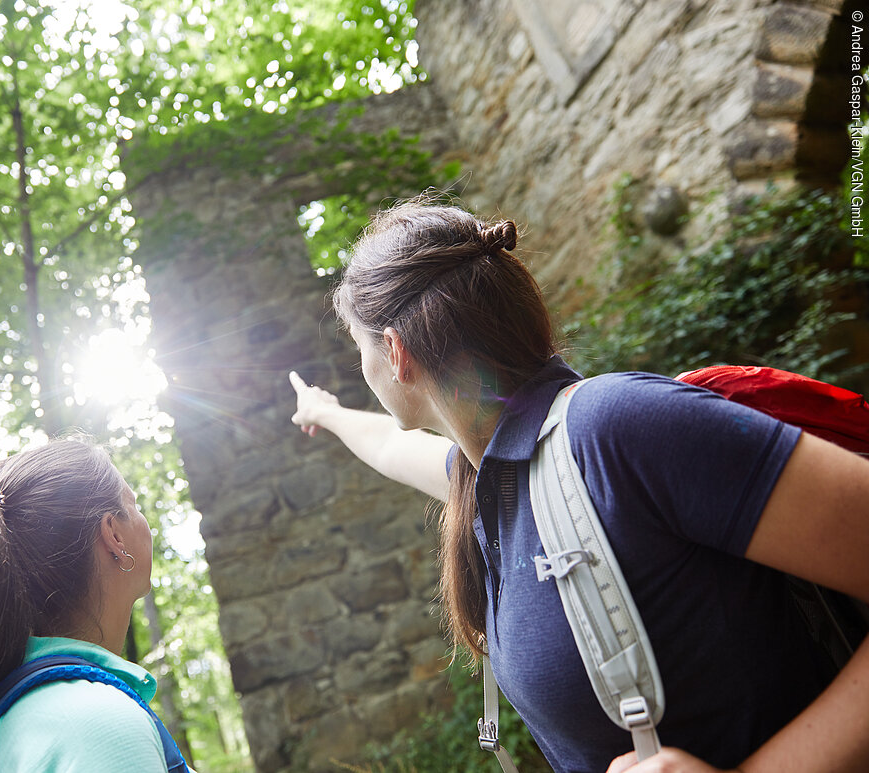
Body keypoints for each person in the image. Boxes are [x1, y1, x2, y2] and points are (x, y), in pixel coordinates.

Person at [288, 199, 869, 773]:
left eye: (358, 346)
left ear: (394, 352)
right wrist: (330, 412)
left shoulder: (613, 430)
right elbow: (391, 447)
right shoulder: (490, 479)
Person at [0, 437, 182, 772]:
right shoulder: (99, 724)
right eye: (134, 505)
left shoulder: (9, 721)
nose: (145, 522)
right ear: (114, 536)